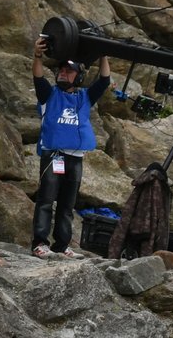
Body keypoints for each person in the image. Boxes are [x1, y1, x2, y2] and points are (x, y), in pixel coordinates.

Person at [29, 37, 111, 259]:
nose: (63, 73)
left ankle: (61, 245)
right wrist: (37, 55)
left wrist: (104, 53)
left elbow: (104, 80)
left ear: (80, 76)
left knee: (67, 204)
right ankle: (40, 243)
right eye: (61, 70)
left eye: (69, 71)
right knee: (46, 200)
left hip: (76, 158)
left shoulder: (85, 97)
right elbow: (37, 75)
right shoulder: (48, 94)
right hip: (53, 155)